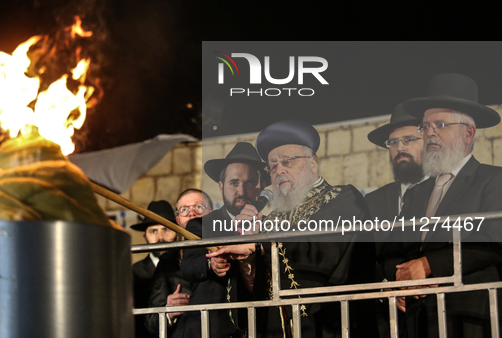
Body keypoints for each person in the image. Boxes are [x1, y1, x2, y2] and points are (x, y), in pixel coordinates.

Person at [208, 120, 376, 337]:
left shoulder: (342, 197)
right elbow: (259, 284)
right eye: (272, 165)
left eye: (288, 161)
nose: (279, 170)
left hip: (332, 325)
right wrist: (245, 260)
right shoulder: (273, 218)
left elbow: (322, 251)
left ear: (313, 163)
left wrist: (259, 246)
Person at [380, 73, 502, 338]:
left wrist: (428, 265)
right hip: (419, 321)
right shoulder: (418, 193)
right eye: (425, 126)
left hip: (470, 320)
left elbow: (493, 241)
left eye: (441, 124)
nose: (430, 133)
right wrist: (399, 279)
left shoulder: (493, 180)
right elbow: (391, 250)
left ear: (469, 132)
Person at [173, 142, 268, 338]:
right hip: (212, 328)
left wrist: (259, 241)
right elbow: (188, 266)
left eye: (249, 182)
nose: (241, 190)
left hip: (259, 327)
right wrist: (211, 263)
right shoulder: (202, 224)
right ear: (221, 186)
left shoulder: (271, 226)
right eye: (234, 183)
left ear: (261, 187)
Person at [366, 103, 427, 337]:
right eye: (393, 142)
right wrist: (387, 285)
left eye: (409, 139)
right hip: (389, 321)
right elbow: (363, 258)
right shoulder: (372, 202)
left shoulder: (447, 191)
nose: (400, 148)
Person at [145, 189, 213, 336]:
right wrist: (168, 311)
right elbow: (150, 322)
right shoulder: (168, 262)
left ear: (213, 215)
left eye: (199, 207)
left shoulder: (229, 249)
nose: (191, 213)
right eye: (184, 209)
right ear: (178, 221)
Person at [131, 200, 178, 338]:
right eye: (153, 231)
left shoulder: (185, 267)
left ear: (177, 232)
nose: (160, 238)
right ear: (145, 236)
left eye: (166, 229)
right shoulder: (133, 272)